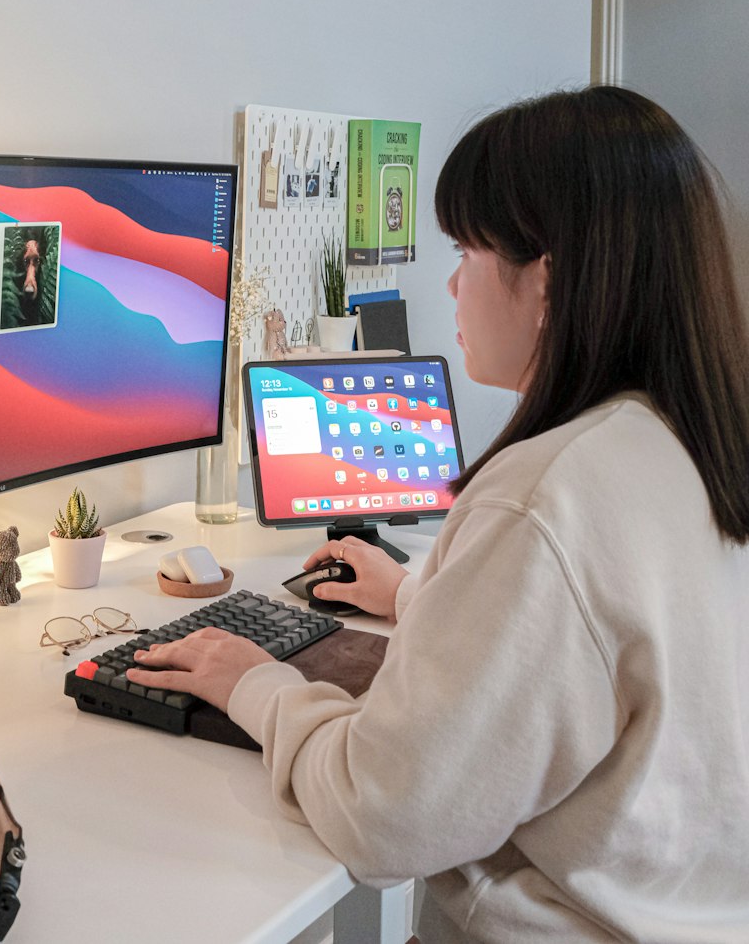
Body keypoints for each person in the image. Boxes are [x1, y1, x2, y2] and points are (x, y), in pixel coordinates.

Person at [128, 86, 749, 943]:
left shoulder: (542, 499)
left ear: (549, 279)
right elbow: (595, 644)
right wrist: (421, 593)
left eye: (469, 249)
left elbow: (383, 817)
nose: (453, 283)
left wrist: (254, 684)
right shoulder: (685, 444)